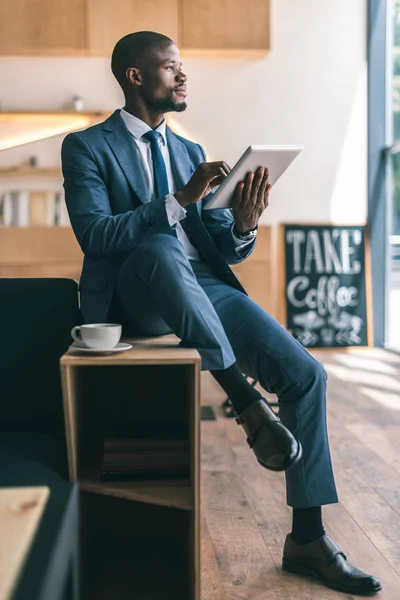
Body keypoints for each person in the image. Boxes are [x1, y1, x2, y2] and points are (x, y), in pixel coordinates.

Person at [61, 31, 381, 595]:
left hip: (203, 287)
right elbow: (96, 235)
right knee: (160, 247)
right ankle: (244, 397)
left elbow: (216, 245)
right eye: (170, 68)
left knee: (307, 374)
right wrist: (178, 201)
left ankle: (308, 537)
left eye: (183, 68)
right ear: (136, 77)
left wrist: (243, 224)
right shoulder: (87, 146)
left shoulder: (186, 151)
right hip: (139, 296)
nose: (183, 77)